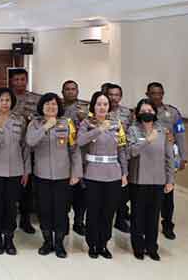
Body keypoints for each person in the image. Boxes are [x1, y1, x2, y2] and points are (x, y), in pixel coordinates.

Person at [26, 93, 82, 258]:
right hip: (41, 175)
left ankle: (59, 243)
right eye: (47, 104)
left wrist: (76, 173)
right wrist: (45, 127)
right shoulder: (35, 124)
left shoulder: (67, 123)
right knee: (44, 210)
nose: (51, 107)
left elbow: (74, 150)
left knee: (61, 210)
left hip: (63, 176)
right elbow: (30, 142)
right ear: (41, 107)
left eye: (54, 105)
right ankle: (47, 241)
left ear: (59, 107)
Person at [77, 91, 128, 259]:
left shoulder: (117, 124)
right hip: (93, 173)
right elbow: (80, 141)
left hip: (113, 173)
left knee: (108, 212)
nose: (102, 107)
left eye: (105, 104)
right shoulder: (86, 123)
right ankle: (92, 244)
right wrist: (98, 129)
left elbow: (122, 149)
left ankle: (103, 244)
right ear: (93, 106)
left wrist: (124, 172)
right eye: (99, 104)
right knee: (93, 211)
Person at [0, 88, 30, 255]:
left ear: (12, 102)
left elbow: (25, 147)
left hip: (15, 170)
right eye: (1, 100)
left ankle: (9, 238)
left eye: (7, 100)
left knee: (11, 207)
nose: (4, 103)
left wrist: (26, 170)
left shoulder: (20, 121)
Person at [127, 99, 175, 261]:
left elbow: (169, 157)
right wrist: (147, 140)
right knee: (138, 215)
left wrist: (170, 180)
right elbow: (131, 152)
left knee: (153, 216)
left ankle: (152, 247)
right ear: (138, 113)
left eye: (150, 110)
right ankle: (138, 247)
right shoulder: (133, 130)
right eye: (144, 110)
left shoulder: (163, 131)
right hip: (138, 180)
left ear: (155, 113)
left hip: (158, 180)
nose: (147, 113)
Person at [146, 82, 187, 240]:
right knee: (147, 193)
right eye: (153, 93)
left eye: (159, 93)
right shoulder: (143, 110)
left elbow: (180, 134)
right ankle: (146, 223)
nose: (156, 96)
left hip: (166, 159)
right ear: (147, 94)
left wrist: (183, 157)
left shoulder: (172, 112)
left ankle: (167, 224)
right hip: (147, 159)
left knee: (168, 193)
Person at [9, 68, 40, 234]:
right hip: (11, 146)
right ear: (11, 81)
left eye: (22, 79)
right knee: (12, 186)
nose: (19, 82)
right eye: (16, 80)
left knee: (27, 186)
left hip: (30, 146)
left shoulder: (35, 99)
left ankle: (26, 219)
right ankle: (10, 219)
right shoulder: (6, 98)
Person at [62, 80, 89, 236]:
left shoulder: (85, 108)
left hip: (82, 153)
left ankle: (79, 222)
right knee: (65, 193)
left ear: (77, 91)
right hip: (63, 155)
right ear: (62, 91)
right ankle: (63, 221)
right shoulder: (57, 107)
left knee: (81, 192)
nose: (70, 92)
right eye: (67, 89)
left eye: (73, 89)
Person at [105, 83, 134, 233]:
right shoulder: (101, 109)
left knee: (123, 190)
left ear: (120, 97)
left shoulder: (127, 113)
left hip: (122, 154)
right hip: (104, 156)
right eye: (111, 94)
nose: (114, 98)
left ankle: (121, 219)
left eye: (117, 95)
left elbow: (131, 132)